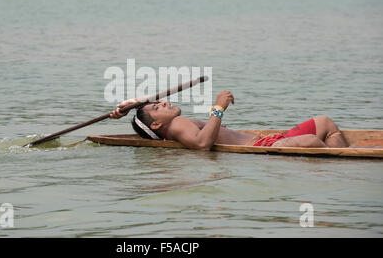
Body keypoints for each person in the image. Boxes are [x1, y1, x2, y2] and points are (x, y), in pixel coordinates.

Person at [109, 91, 348, 151]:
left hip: (268, 140)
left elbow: (148, 109)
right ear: (156, 125)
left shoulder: (169, 123)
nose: (163, 102)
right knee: (310, 138)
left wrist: (131, 105)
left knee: (323, 122)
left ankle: (339, 163)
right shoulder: (177, 125)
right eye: (157, 106)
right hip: (263, 147)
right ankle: (341, 163)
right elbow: (203, 145)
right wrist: (218, 109)